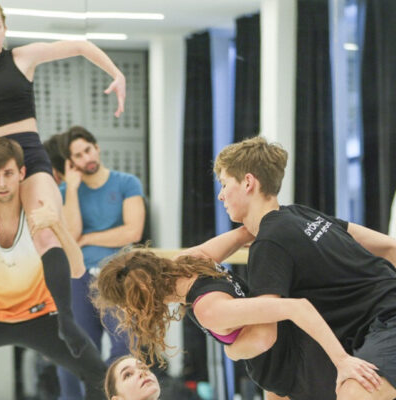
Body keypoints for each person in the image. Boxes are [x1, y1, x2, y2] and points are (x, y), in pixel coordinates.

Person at [188, 135, 396, 400]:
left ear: (248, 182)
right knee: (280, 387)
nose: (220, 195)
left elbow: (263, 335)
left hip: (387, 321)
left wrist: (231, 350)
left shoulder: (270, 242)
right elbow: (389, 247)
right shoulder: (300, 214)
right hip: (370, 329)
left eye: (224, 184)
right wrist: (245, 231)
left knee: (355, 392)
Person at [0, 2, 126, 358]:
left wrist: (116, 73)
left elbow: (80, 46)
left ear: (5, 28)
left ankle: (65, 319)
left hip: (27, 154)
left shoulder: (21, 58)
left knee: (45, 229)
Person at [91, 248, 382, 400]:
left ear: (141, 299)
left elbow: (289, 315)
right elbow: (244, 233)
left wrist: (233, 351)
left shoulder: (208, 309)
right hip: (282, 372)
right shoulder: (190, 260)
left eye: (127, 305)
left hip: (293, 368)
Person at [0, 137, 107, 399]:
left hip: (42, 317)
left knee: (99, 376)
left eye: (8, 174)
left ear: (22, 173)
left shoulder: (39, 211)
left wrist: (66, 319)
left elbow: (75, 267)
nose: (1, 183)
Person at [56, 126, 146, 398]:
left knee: (125, 348)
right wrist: (72, 189)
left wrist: (89, 237)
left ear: (97, 147)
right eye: (78, 155)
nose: (86, 158)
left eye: (88, 150)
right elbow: (71, 235)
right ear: (71, 162)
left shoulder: (127, 182)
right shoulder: (65, 191)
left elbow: (133, 232)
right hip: (79, 277)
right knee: (78, 351)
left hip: (118, 276)